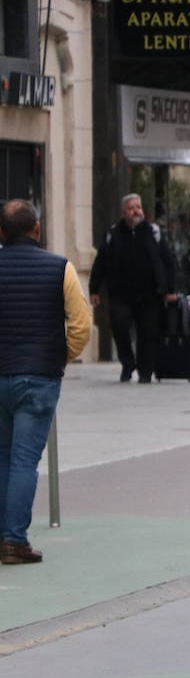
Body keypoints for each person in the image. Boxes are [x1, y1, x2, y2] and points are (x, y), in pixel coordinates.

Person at [0, 200, 92, 565]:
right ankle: (13, 540)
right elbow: (81, 324)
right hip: (38, 378)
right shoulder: (61, 268)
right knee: (24, 459)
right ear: (37, 229)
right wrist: (58, 357)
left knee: (3, 456)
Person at [88, 193, 175, 383]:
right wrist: (94, 289)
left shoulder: (153, 232)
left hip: (150, 294)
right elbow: (101, 262)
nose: (136, 211)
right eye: (131, 208)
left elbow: (168, 262)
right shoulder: (113, 234)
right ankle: (127, 363)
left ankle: (146, 370)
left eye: (138, 207)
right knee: (119, 327)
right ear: (123, 212)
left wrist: (170, 289)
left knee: (148, 333)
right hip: (121, 294)